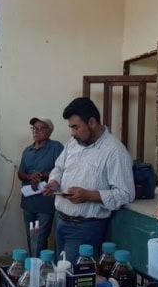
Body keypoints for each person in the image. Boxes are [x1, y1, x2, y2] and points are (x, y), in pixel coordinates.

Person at [43, 98, 134, 264]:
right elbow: (58, 168)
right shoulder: (73, 144)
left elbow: (125, 194)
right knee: (60, 271)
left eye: (76, 127)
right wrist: (54, 182)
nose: (72, 133)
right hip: (61, 221)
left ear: (92, 122)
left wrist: (88, 195)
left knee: (71, 274)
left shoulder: (114, 151)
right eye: (71, 127)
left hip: (85, 228)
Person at [18, 118, 65, 256]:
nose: (36, 131)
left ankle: (38, 265)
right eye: (34, 128)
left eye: (41, 128)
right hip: (28, 201)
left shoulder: (56, 147)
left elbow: (62, 171)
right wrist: (30, 177)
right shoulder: (28, 150)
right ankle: (33, 263)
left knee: (40, 238)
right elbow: (21, 173)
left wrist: (41, 176)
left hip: (45, 201)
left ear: (49, 132)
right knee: (31, 236)